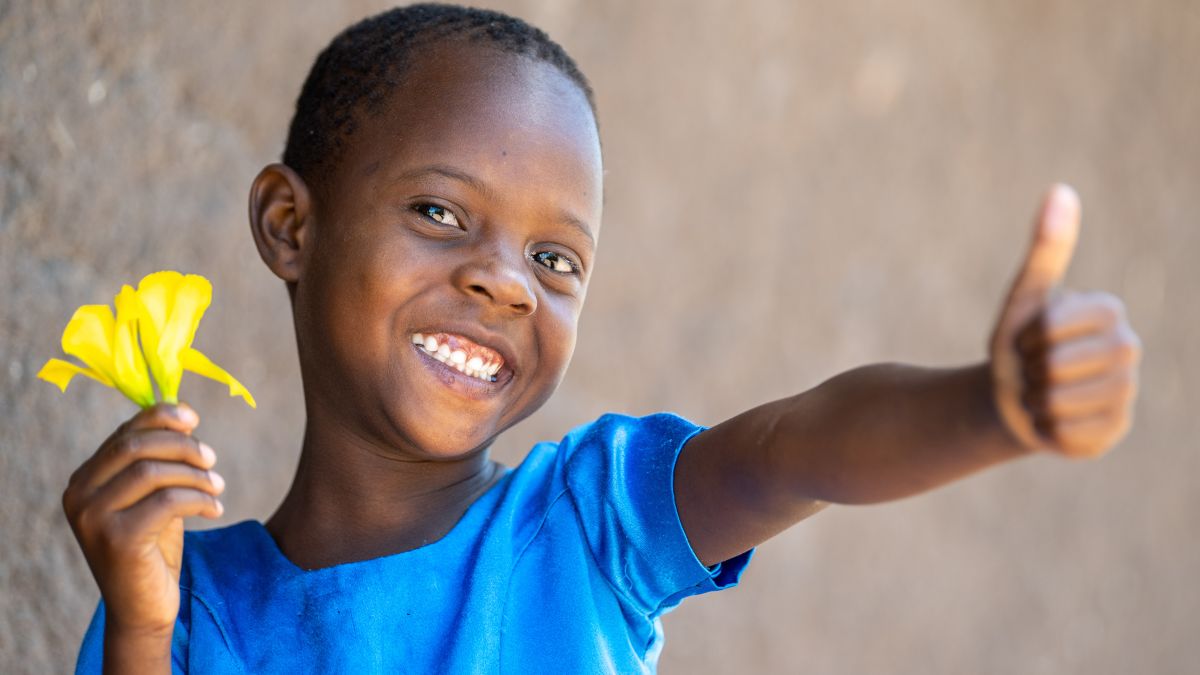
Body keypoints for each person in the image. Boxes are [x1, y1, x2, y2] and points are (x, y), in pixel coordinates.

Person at [64, 4, 1142, 673]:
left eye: (557, 260)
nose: (504, 282)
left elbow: (799, 447)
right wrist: (145, 635)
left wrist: (984, 409)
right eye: (441, 213)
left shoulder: (585, 527)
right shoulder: (177, 606)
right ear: (290, 226)